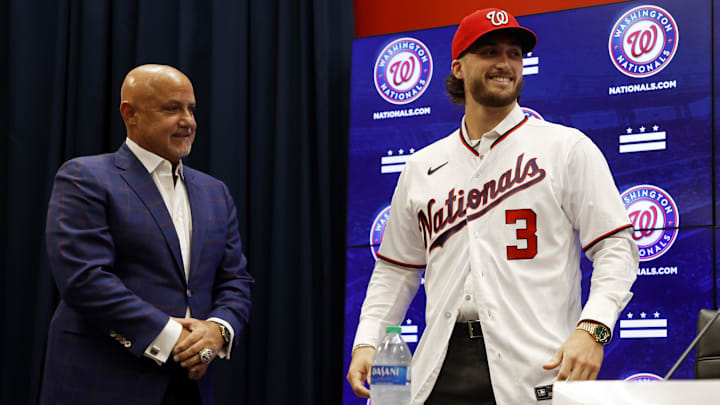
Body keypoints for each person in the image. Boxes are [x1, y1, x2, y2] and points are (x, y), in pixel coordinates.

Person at [347, 8, 638, 405]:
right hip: (440, 366)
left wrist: (593, 329)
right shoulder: (421, 167)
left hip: (537, 365)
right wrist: (368, 340)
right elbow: (396, 271)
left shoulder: (566, 148)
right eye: (489, 52)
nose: (505, 63)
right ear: (459, 67)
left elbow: (616, 248)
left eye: (514, 54)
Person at [40, 64, 254, 405]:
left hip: (192, 385)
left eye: (191, 109)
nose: (188, 121)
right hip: (102, 381)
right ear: (130, 113)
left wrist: (216, 331)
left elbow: (236, 281)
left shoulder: (215, 192)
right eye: (172, 109)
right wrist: (173, 338)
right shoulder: (85, 177)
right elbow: (85, 279)